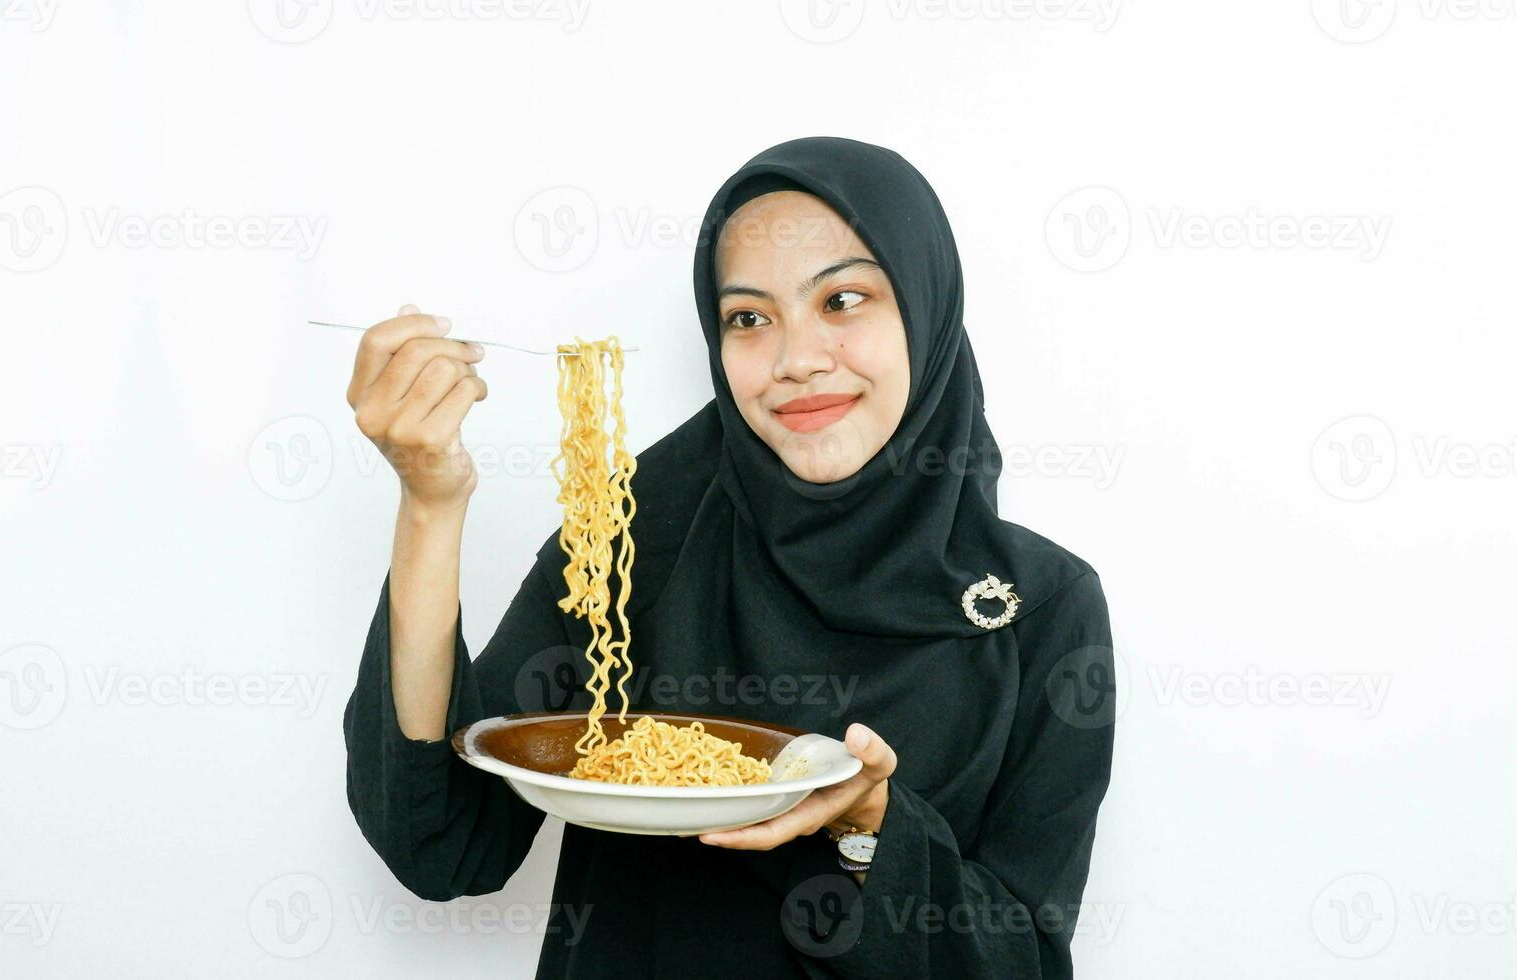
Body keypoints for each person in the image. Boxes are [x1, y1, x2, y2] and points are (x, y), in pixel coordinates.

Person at [342, 136, 1116, 978]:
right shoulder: (629, 537)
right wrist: (430, 502)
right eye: (749, 317)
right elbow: (443, 842)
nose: (796, 360)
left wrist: (873, 826)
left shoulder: (1040, 608)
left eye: (844, 299)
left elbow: (1027, 963)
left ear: (925, 312)